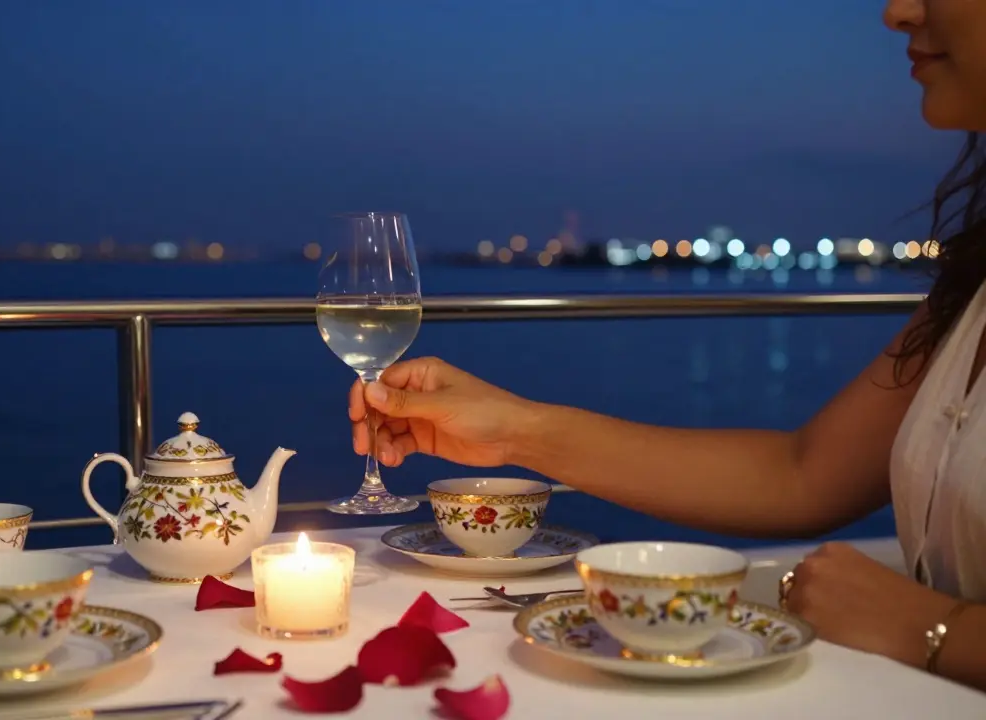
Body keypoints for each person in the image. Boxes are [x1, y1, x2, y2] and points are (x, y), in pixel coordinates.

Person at [346, 0, 986, 693]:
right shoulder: (971, 285)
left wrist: (933, 628)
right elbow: (802, 475)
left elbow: (896, 589)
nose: (898, 11)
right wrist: (512, 429)